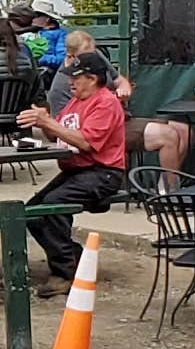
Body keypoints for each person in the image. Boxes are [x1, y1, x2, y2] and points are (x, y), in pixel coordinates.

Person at [15, 49, 129, 277]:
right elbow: (59, 134)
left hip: (102, 172)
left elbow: (86, 142)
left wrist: (48, 122)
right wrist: (44, 122)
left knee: (53, 205)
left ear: (93, 79)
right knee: (31, 211)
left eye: (76, 77)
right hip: (75, 170)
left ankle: (66, 271)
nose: (70, 82)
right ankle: (75, 258)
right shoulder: (75, 103)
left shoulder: (105, 103)